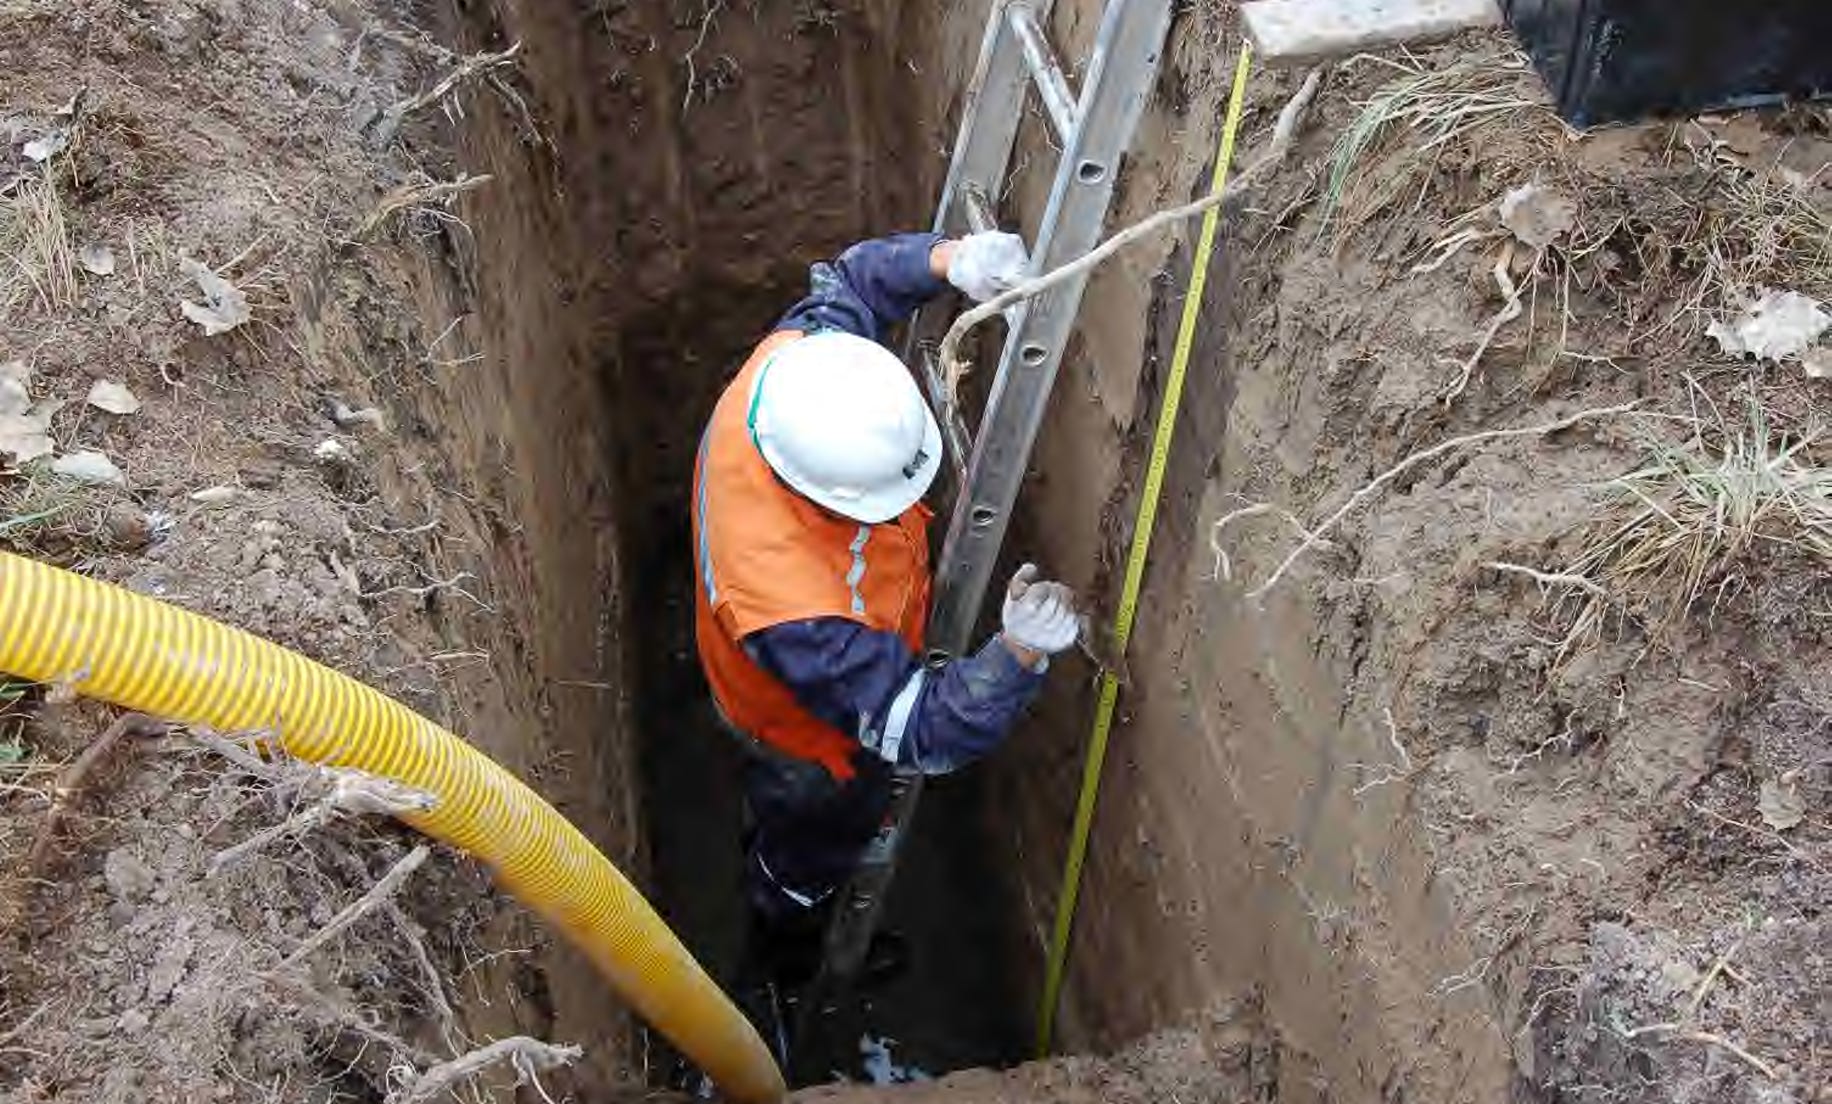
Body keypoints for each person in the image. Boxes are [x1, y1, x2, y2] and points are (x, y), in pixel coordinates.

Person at [691, 230, 1081, 996]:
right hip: (804, 738)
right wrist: (1017, 655)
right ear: (824, 499)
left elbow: (852, 281)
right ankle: (787, 952)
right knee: (811, 839)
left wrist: (948, 259)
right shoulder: (792, 611)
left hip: (791, 662)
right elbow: (922, 733)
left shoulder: (795, 373)